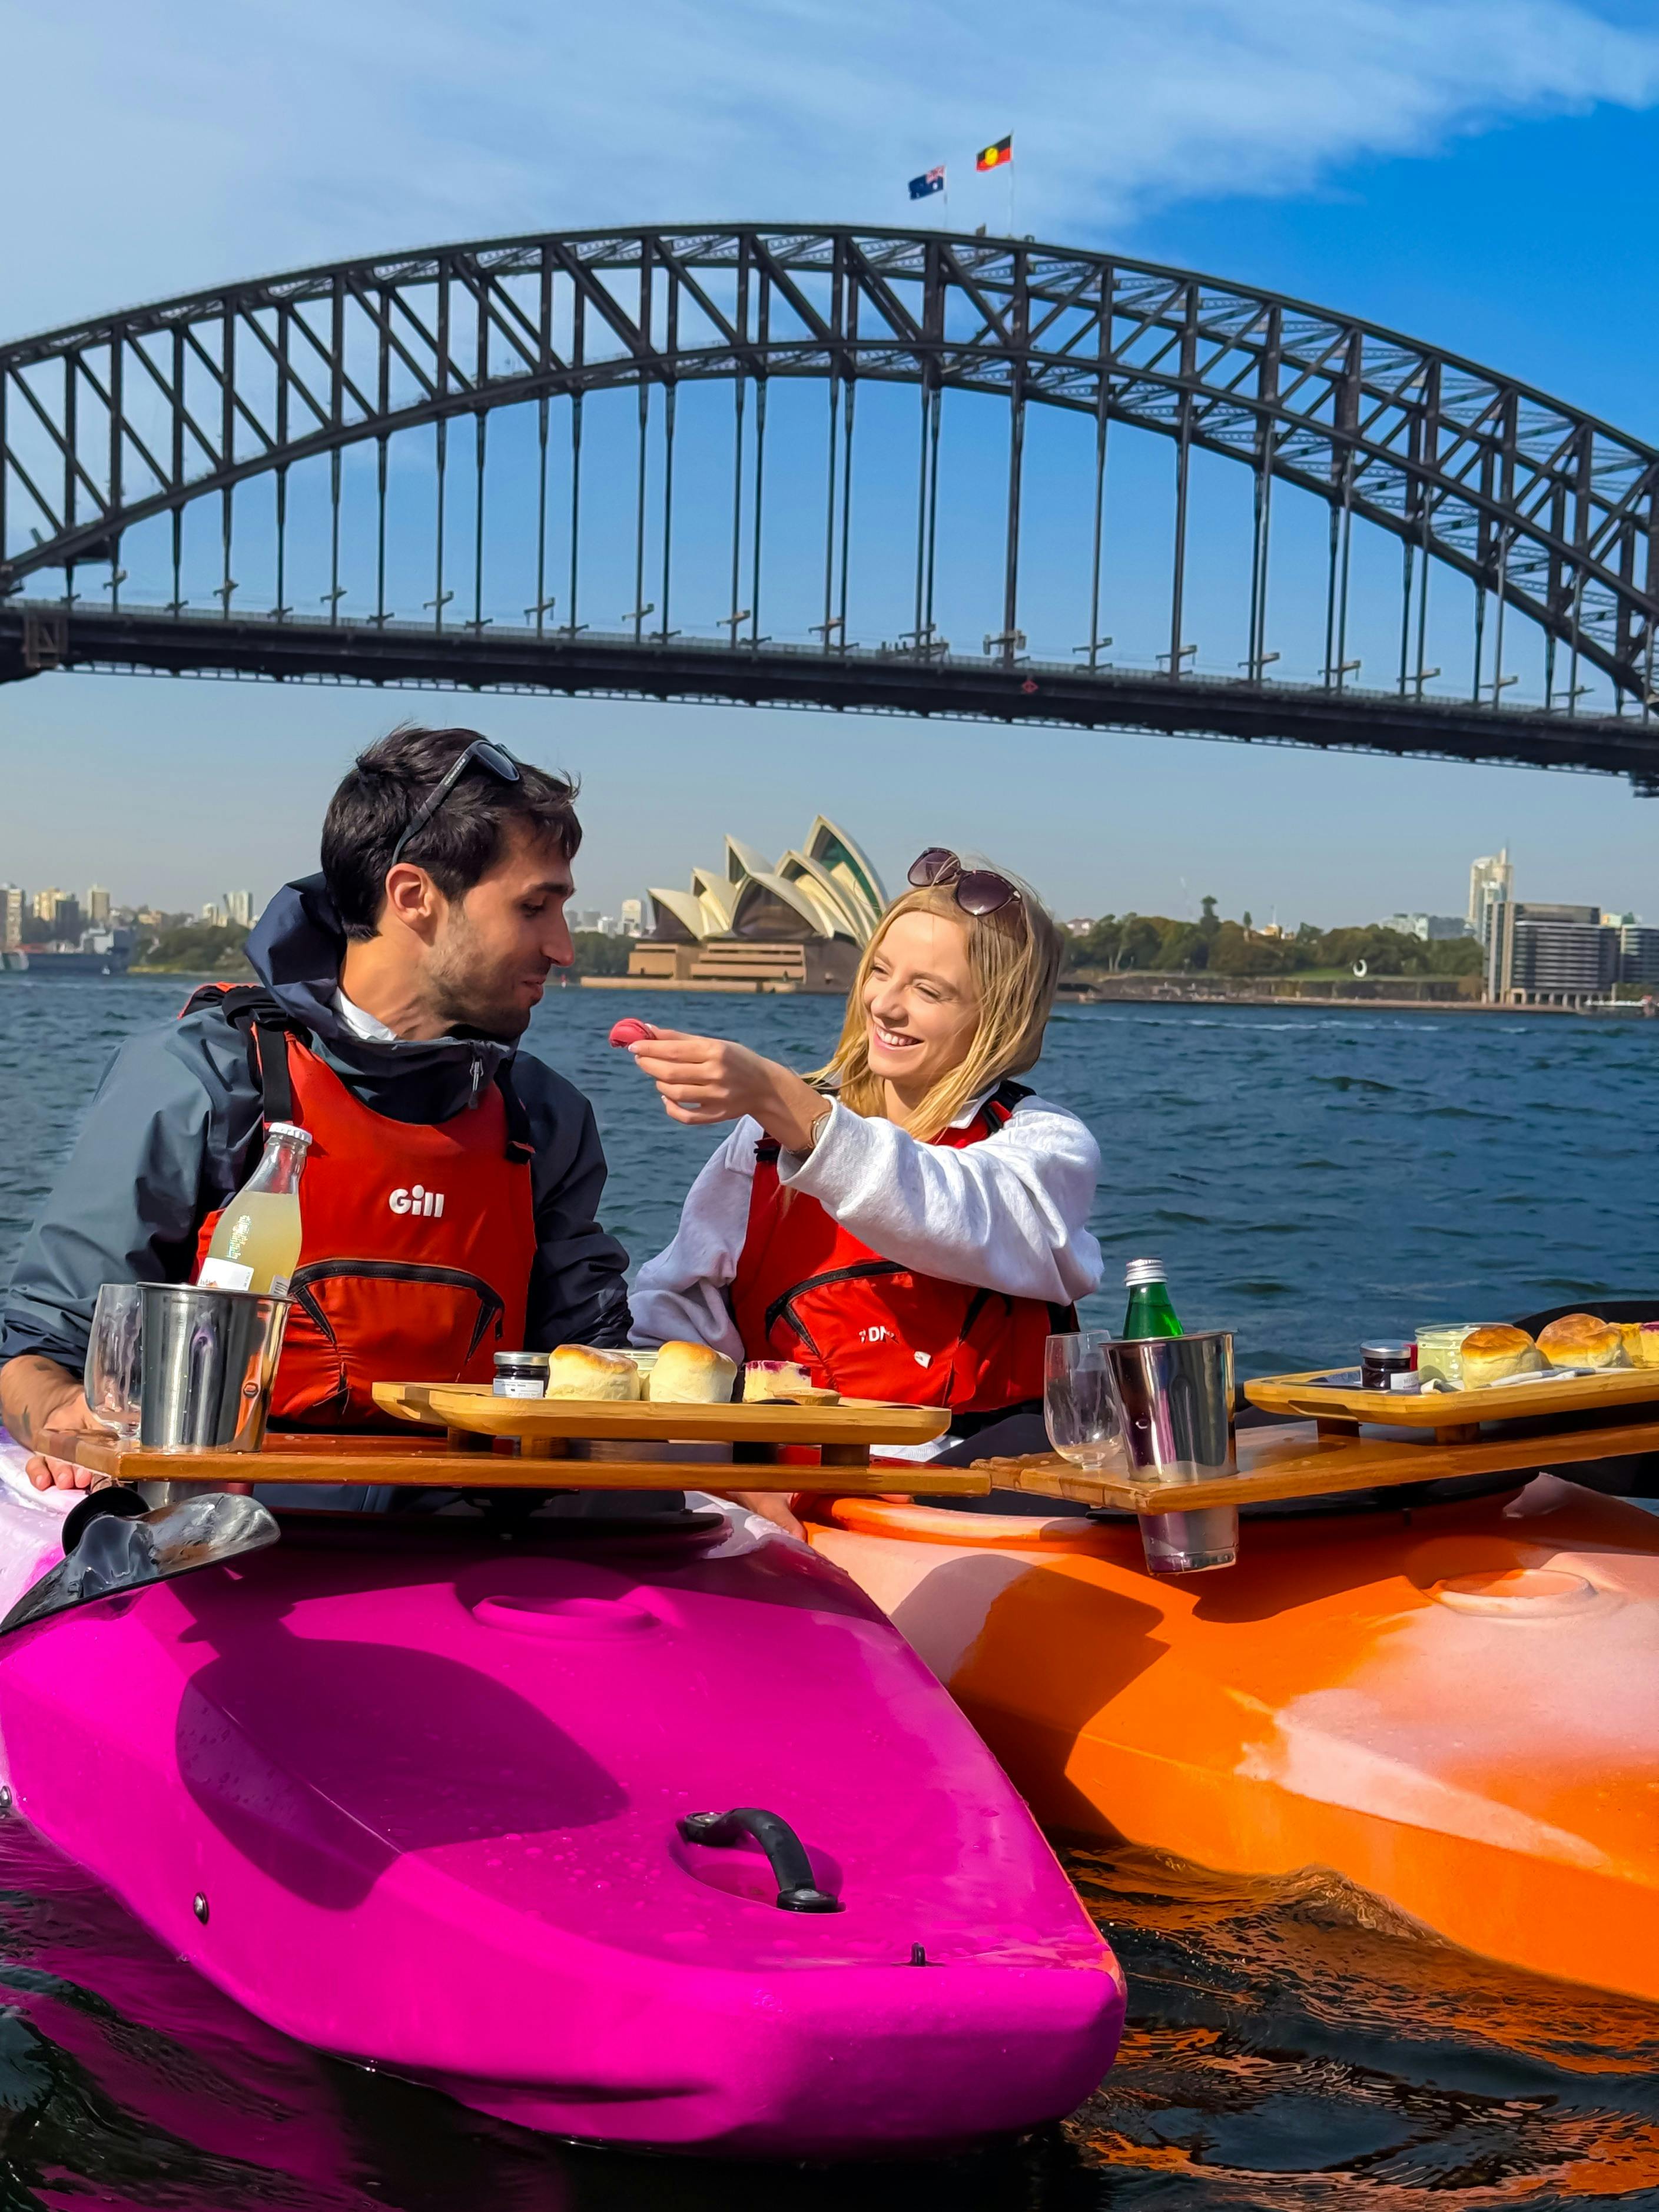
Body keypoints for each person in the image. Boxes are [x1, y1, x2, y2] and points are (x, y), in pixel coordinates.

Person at [0, 725, 631, 1491]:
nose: (563, 948)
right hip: (227, 1546)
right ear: (413, 897)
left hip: (475, 1546)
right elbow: (39, 1353)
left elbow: (596, 1381)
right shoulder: (200, 1080)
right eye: (535, 906)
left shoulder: (544, 1117)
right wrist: (68, 1414)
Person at [625, 848, 1101, 1510]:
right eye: (879, 970)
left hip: (971, 1501)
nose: (885, 1004)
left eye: (928, 990)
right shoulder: (762, 1138)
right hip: (779, 1494)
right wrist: (715, 1471)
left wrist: (791, 1105)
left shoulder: (1042, 1144)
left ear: (999, 1015)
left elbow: (962, 1213)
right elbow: (676, 1324)